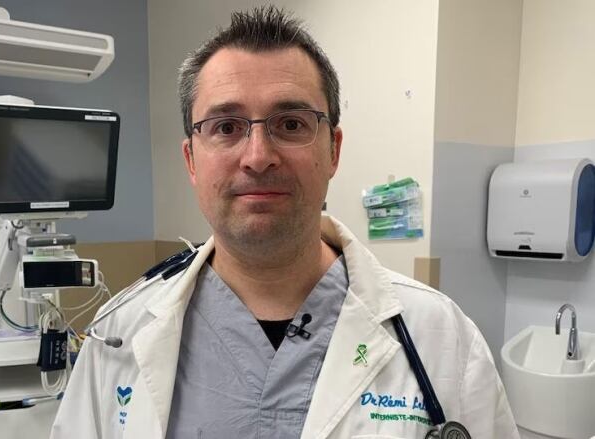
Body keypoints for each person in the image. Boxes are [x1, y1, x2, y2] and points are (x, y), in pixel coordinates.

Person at [51, 6, 520, 439]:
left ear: (333, 150)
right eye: (226, 127)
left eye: (291, 123)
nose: (257, 157)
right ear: (191, 160)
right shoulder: (118, 336)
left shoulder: (443, 337)